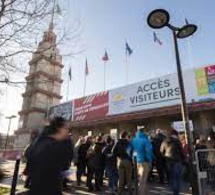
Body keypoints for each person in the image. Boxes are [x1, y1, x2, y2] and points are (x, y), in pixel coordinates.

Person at [27, 117, 70, 195]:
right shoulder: (55, 145)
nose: (67, 131)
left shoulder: (39, 141)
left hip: (36, 188)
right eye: (66, 128)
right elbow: (65, 164)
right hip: (48, 190)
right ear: (58, 128)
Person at [129, 128, 153, 195]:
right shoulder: (145, 140)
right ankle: (141, 193)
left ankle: (139, 192)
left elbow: (128, 150)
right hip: (144, 161)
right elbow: (149, 151)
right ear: (144, 132)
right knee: (143, 179)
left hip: (136, 161)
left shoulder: (133, 140)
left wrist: (132, 158)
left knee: (139, 178)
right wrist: (149, 160)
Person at [160, 129, 185, 195]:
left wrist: (165, 156)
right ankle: (177, 192)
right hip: (178, 161)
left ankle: (174, 191)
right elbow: (181, 152)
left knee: (172, 176)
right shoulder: (177, 141)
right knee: (178, 177)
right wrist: (184, 159)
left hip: (168, 161)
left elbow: (161, 151)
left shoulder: (165, 141)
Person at [112, 131, 132, 195]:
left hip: (120, 161)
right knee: (128, 177)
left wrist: (118, 156)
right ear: (126, 136)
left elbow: (113, 151)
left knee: (121, 177)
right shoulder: (129, 142)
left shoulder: (117, 142)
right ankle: (130, 191)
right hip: (127, 161)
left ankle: (119, 191)